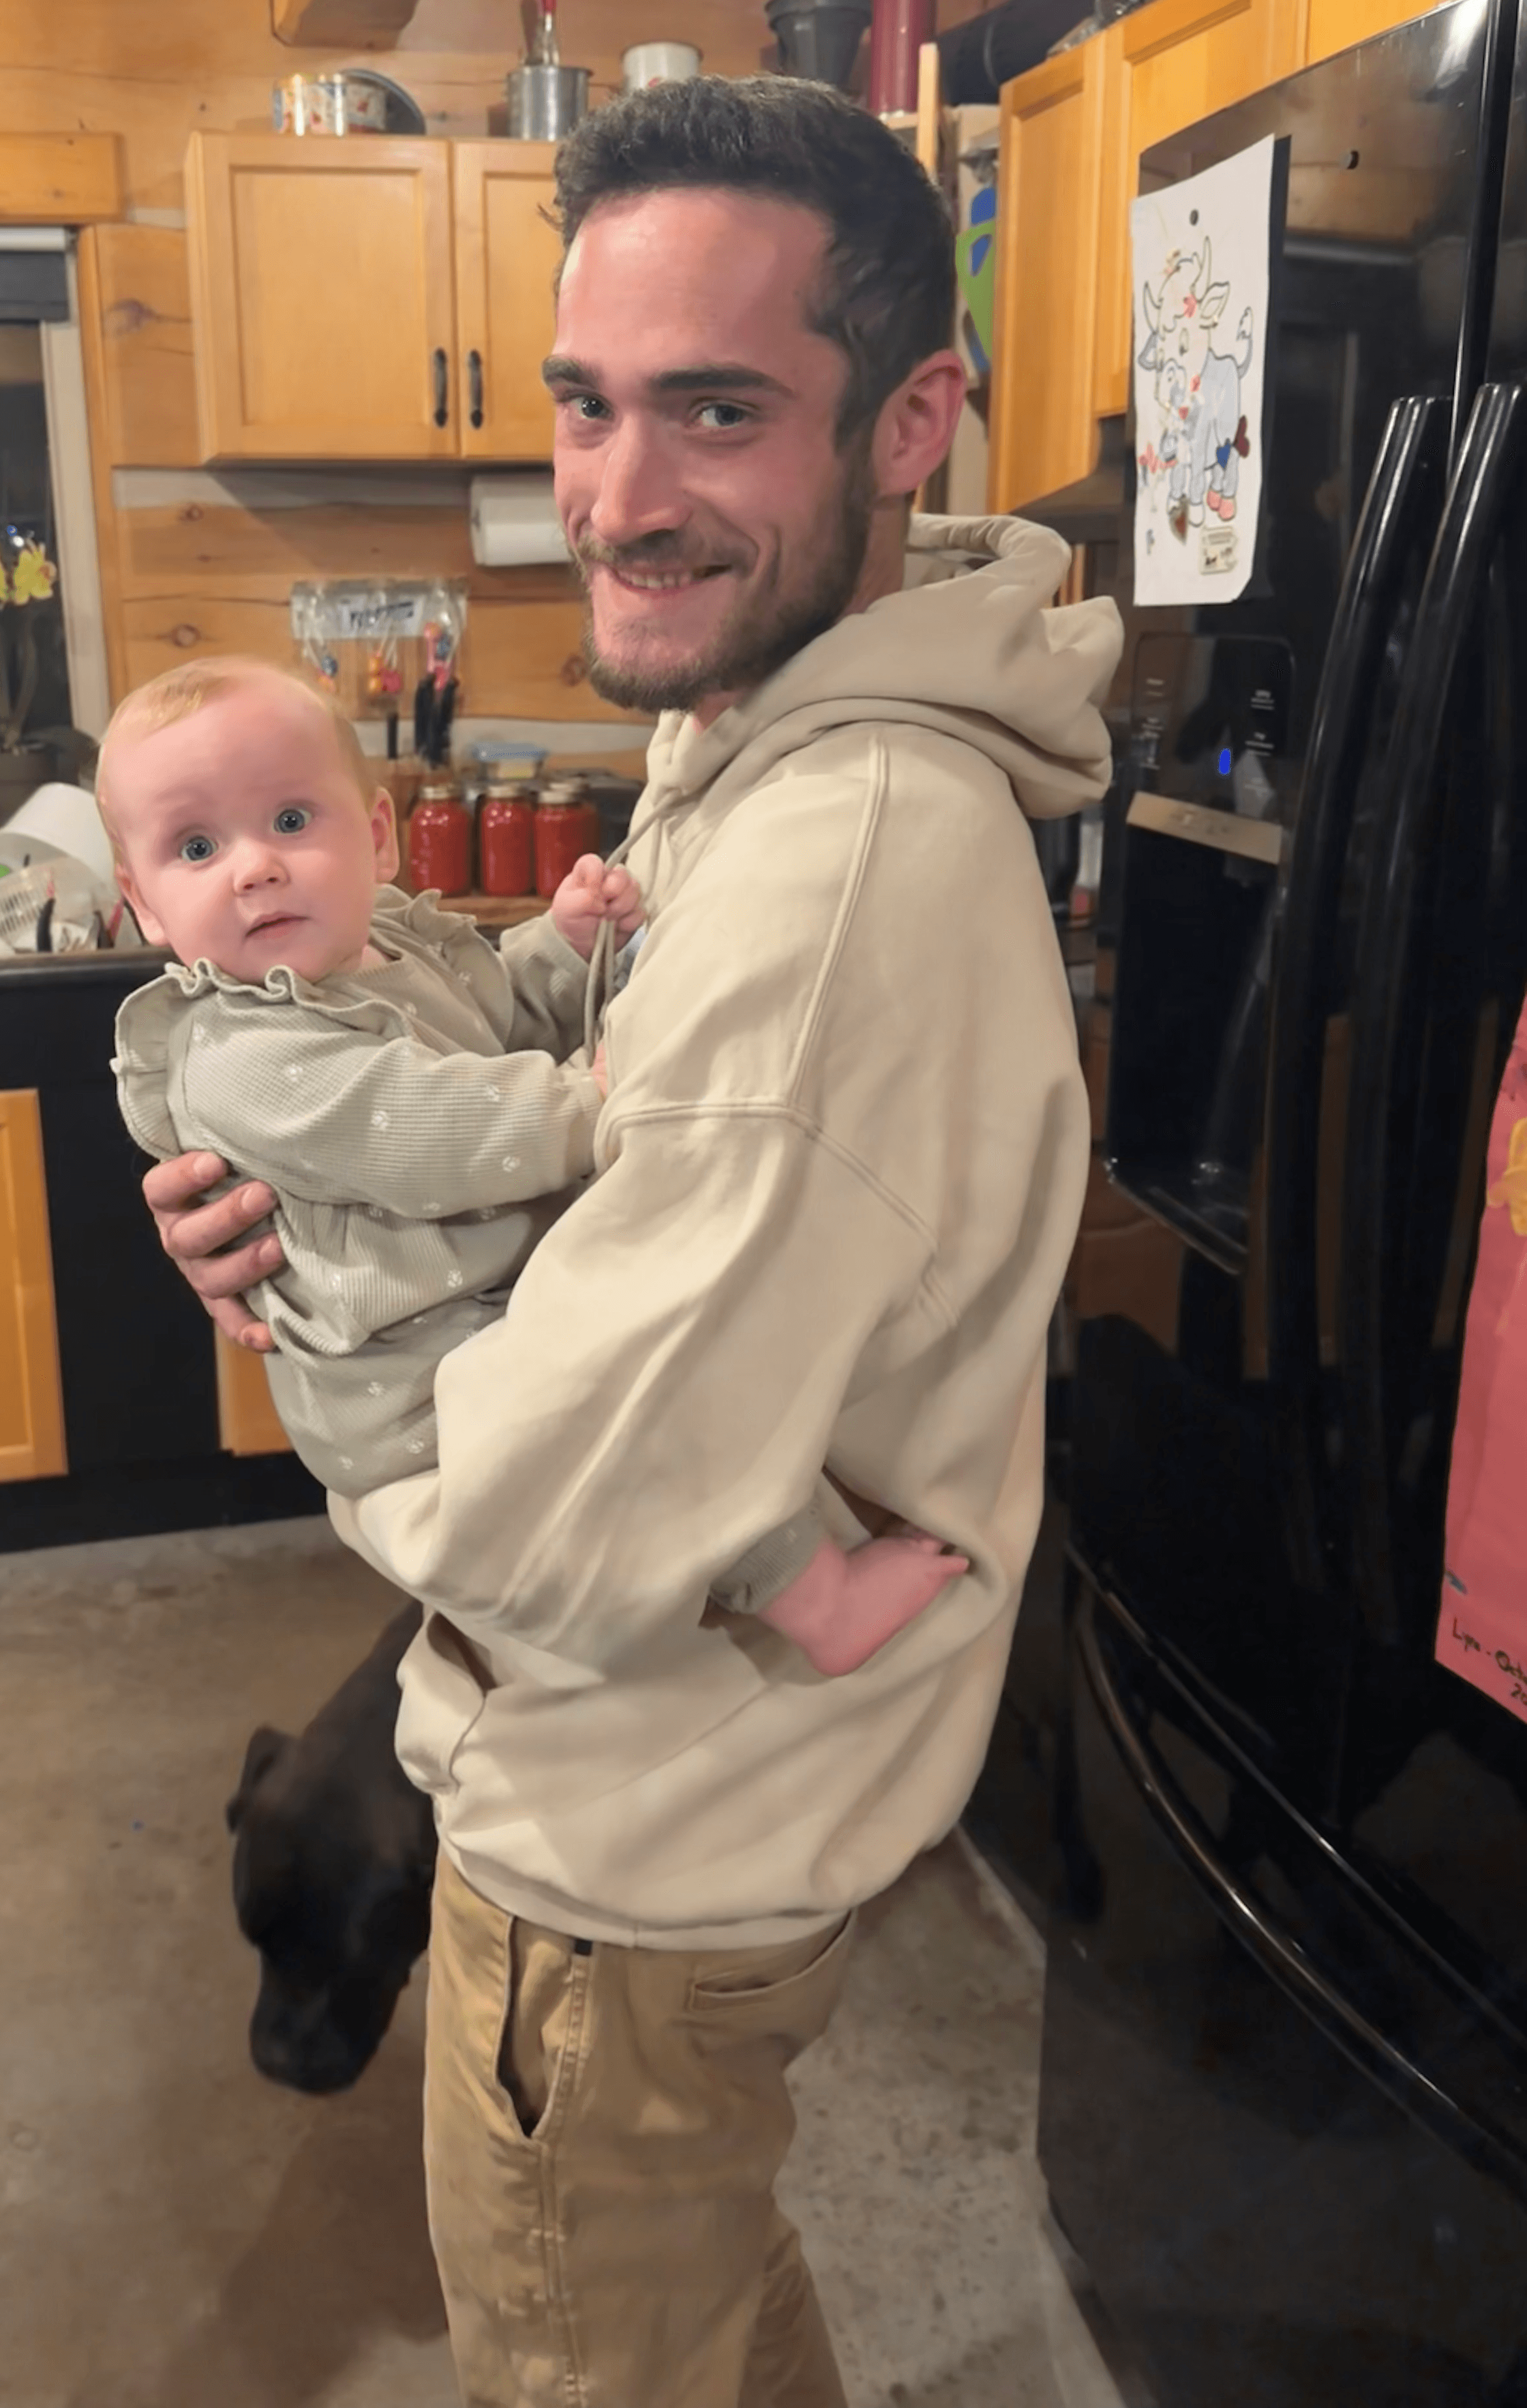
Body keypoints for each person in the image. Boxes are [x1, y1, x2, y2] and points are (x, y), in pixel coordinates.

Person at [144, 74, 1120, 2407]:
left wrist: (334, 1341)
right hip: (723, 1798)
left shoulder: (836, 863)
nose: (613, 493)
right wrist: (344, 1213)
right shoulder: (769, 736)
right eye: (588, 405)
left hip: (628, 1856)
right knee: (693, 2312)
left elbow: (541, 1513)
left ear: (909, 423)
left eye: (715, 410)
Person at [100, 652, 967, 1676]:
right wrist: (597, 1097)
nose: (256, 867)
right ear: (145, 902)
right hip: (416, 1376)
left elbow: (493, 1015)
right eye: (197, 846)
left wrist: (557, 947)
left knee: (665, 1364)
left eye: (292, 821)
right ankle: (817, 1600)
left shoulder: (374, 945)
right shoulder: (241, 1052)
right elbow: (427, 1125)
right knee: (644, 1398)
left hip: (472, 1312)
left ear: (376, 838)